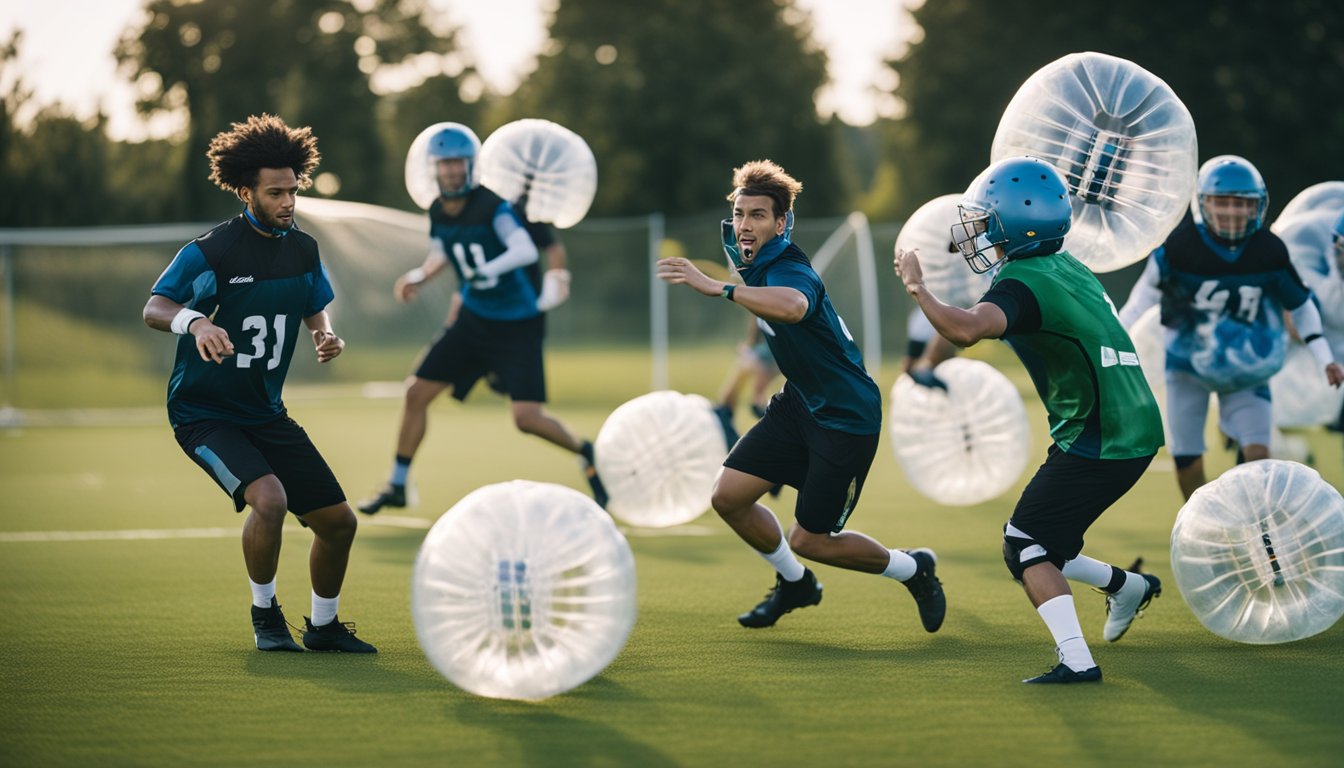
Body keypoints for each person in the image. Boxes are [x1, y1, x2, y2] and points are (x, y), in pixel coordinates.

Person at [895, 155, 1163, 684]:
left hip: (1101, 434)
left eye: (984, 221)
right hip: (1123, 426)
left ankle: (1077, 661)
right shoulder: (1065, 267)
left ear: (1014, 225)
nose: (976, 234)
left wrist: (917, 288)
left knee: (1024, 544)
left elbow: (968, 329)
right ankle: (1127, 587)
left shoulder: (1023, 282)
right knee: (1047, 539)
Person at [656, 159, 945, 634]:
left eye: (758, 215)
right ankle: (796, 584)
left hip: (845, 418)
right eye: (740, 214)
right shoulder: (752, 257)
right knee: (728, 497)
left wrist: (718, 288)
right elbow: (766, 306)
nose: (745, 225)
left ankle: (914, 569)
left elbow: (793, 305)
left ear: (782, 222)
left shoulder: (791, 265)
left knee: (811, 539)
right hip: (798, 404)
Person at [142, 114, 375, 653]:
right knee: (268, 499)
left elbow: (315, 305)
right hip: (203, 413)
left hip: (265, 411)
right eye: (275, 193)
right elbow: (155, 306)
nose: (288, 201)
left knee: (339, 523)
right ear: (246, 192)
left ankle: (323, 627)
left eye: (294, 190)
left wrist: (324, 335)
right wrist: (196, 321)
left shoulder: (303, 249)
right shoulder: (214, 250)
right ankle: (266, 617)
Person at [358, 123, 606, 514]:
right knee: (415, 393)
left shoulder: (493, 205)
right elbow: (441, 251)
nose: (452, 170)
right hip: (473, 319)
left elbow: (524, 250)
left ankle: (585, 450)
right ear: (432, 168)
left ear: (471, 164)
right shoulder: (438, 209)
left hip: (516, 323)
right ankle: (398, 483)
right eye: (445, 163)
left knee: (526, 419)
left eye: (458, 162)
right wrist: (420, 276)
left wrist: (492, 268)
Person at [1117, 156, 1343, 500]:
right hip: (1187, 367)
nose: (1233, 212)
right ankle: (1204, 524)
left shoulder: (1268, 250)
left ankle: (1255, 527)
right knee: (1187, 461)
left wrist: (1324, 356)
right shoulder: (1179, 249)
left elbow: (1301, 307)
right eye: (1222, 202)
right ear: (1203, 203)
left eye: (1242, 204)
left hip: (1247, 370)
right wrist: (1111, 349)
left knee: (1258, 458)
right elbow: (1138, 304)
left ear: (1258, 205)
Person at [712, 315, 781, 446]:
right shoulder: (760, 311)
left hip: (778, 353)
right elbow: (755, 330)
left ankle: (758, 403)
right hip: (764, 353)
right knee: (745, 363)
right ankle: (726, 411)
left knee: (750, 362)